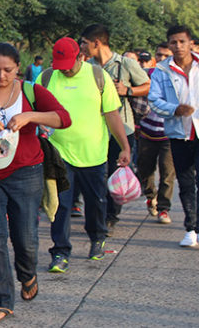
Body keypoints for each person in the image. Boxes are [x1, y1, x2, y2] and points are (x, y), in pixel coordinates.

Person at [0, 43, 71, 322]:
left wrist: (30, 116)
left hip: (26, 171)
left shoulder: (31, 91)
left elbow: (63, 118)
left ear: (17, 68)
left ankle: (27, 275)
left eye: (8, 70)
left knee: (25, 238)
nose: (1, 76)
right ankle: (2, 301)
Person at [41, 37, 130, 273]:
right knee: (61, 205)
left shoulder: (98, 76)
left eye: (69, 64)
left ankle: (97, 237)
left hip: (94, 153)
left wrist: (125, 146)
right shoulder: (47, 77)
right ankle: (60, 252)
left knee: (96, 201)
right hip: (59, 153)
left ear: (81, 56)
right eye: (61, 65)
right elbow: (35, 110)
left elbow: (111, 114)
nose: (66, 70)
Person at [80, 24, 150, 236]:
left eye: (84, 42)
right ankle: (98, 217)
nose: (81, 46)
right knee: (96, 175)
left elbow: (148, 85)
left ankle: (111, 217)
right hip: (94, 129)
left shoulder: (126, 64)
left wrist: (127, 90)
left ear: (96, 43)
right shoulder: (87, 67)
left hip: (122, 127)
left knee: (115, 173)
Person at [148, 25, 199, 247]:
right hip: (179, 134)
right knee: (186, 182)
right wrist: (174, 109)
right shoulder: (162, 70)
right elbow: (154, 100)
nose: (177, 46)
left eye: (181, 42)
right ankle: (191, 228)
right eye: (173, 42)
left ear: (190, 44)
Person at [138, 44, 175, 223]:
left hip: (170, 134)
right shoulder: (147, 75)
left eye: (165, 55)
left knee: (168, 173)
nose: (161, 58)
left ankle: (163, 208)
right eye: (159, 55)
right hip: (147, 131)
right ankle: (150, 195)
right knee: (145, 170)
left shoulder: (180, 78)